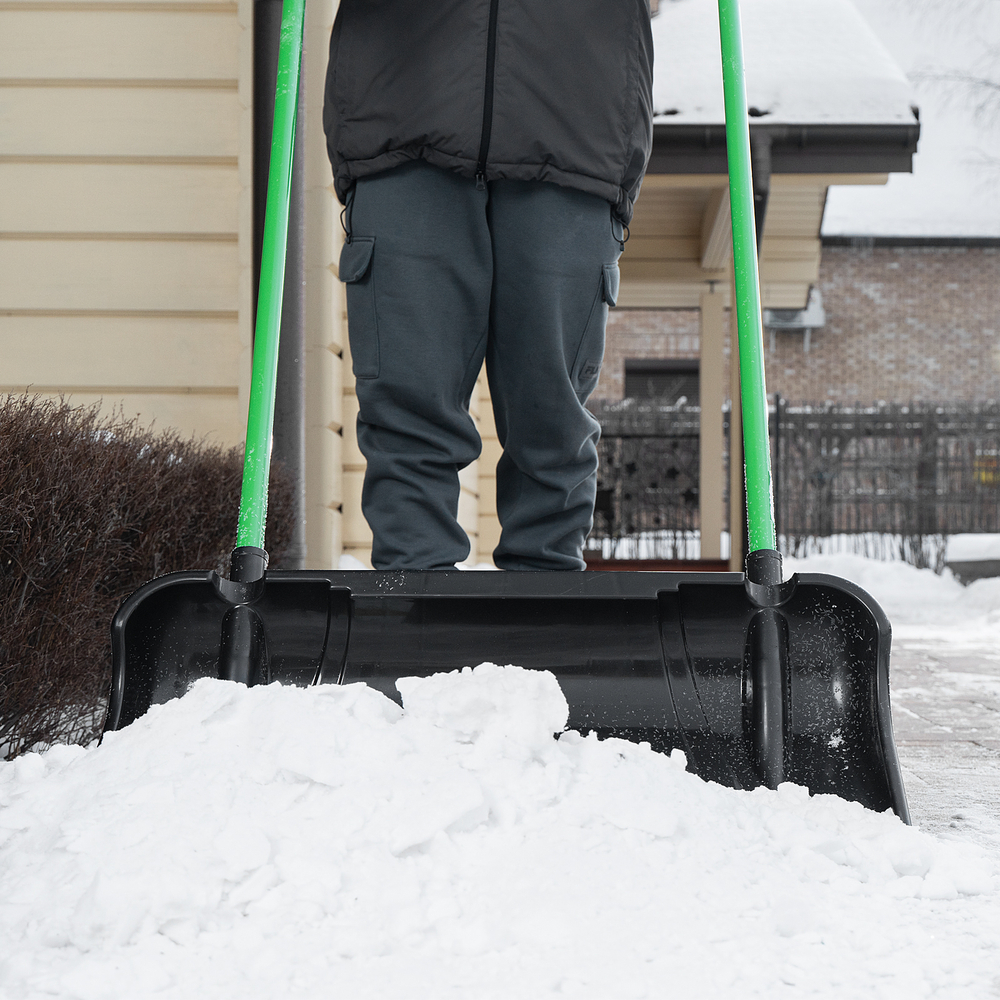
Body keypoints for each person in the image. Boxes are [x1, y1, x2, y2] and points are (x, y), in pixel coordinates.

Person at [323, 1, 654, 570]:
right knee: (408, 408)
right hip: (403, 113)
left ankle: (547, 619)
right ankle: (414, 616)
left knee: (550, 416)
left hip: (575, 125)